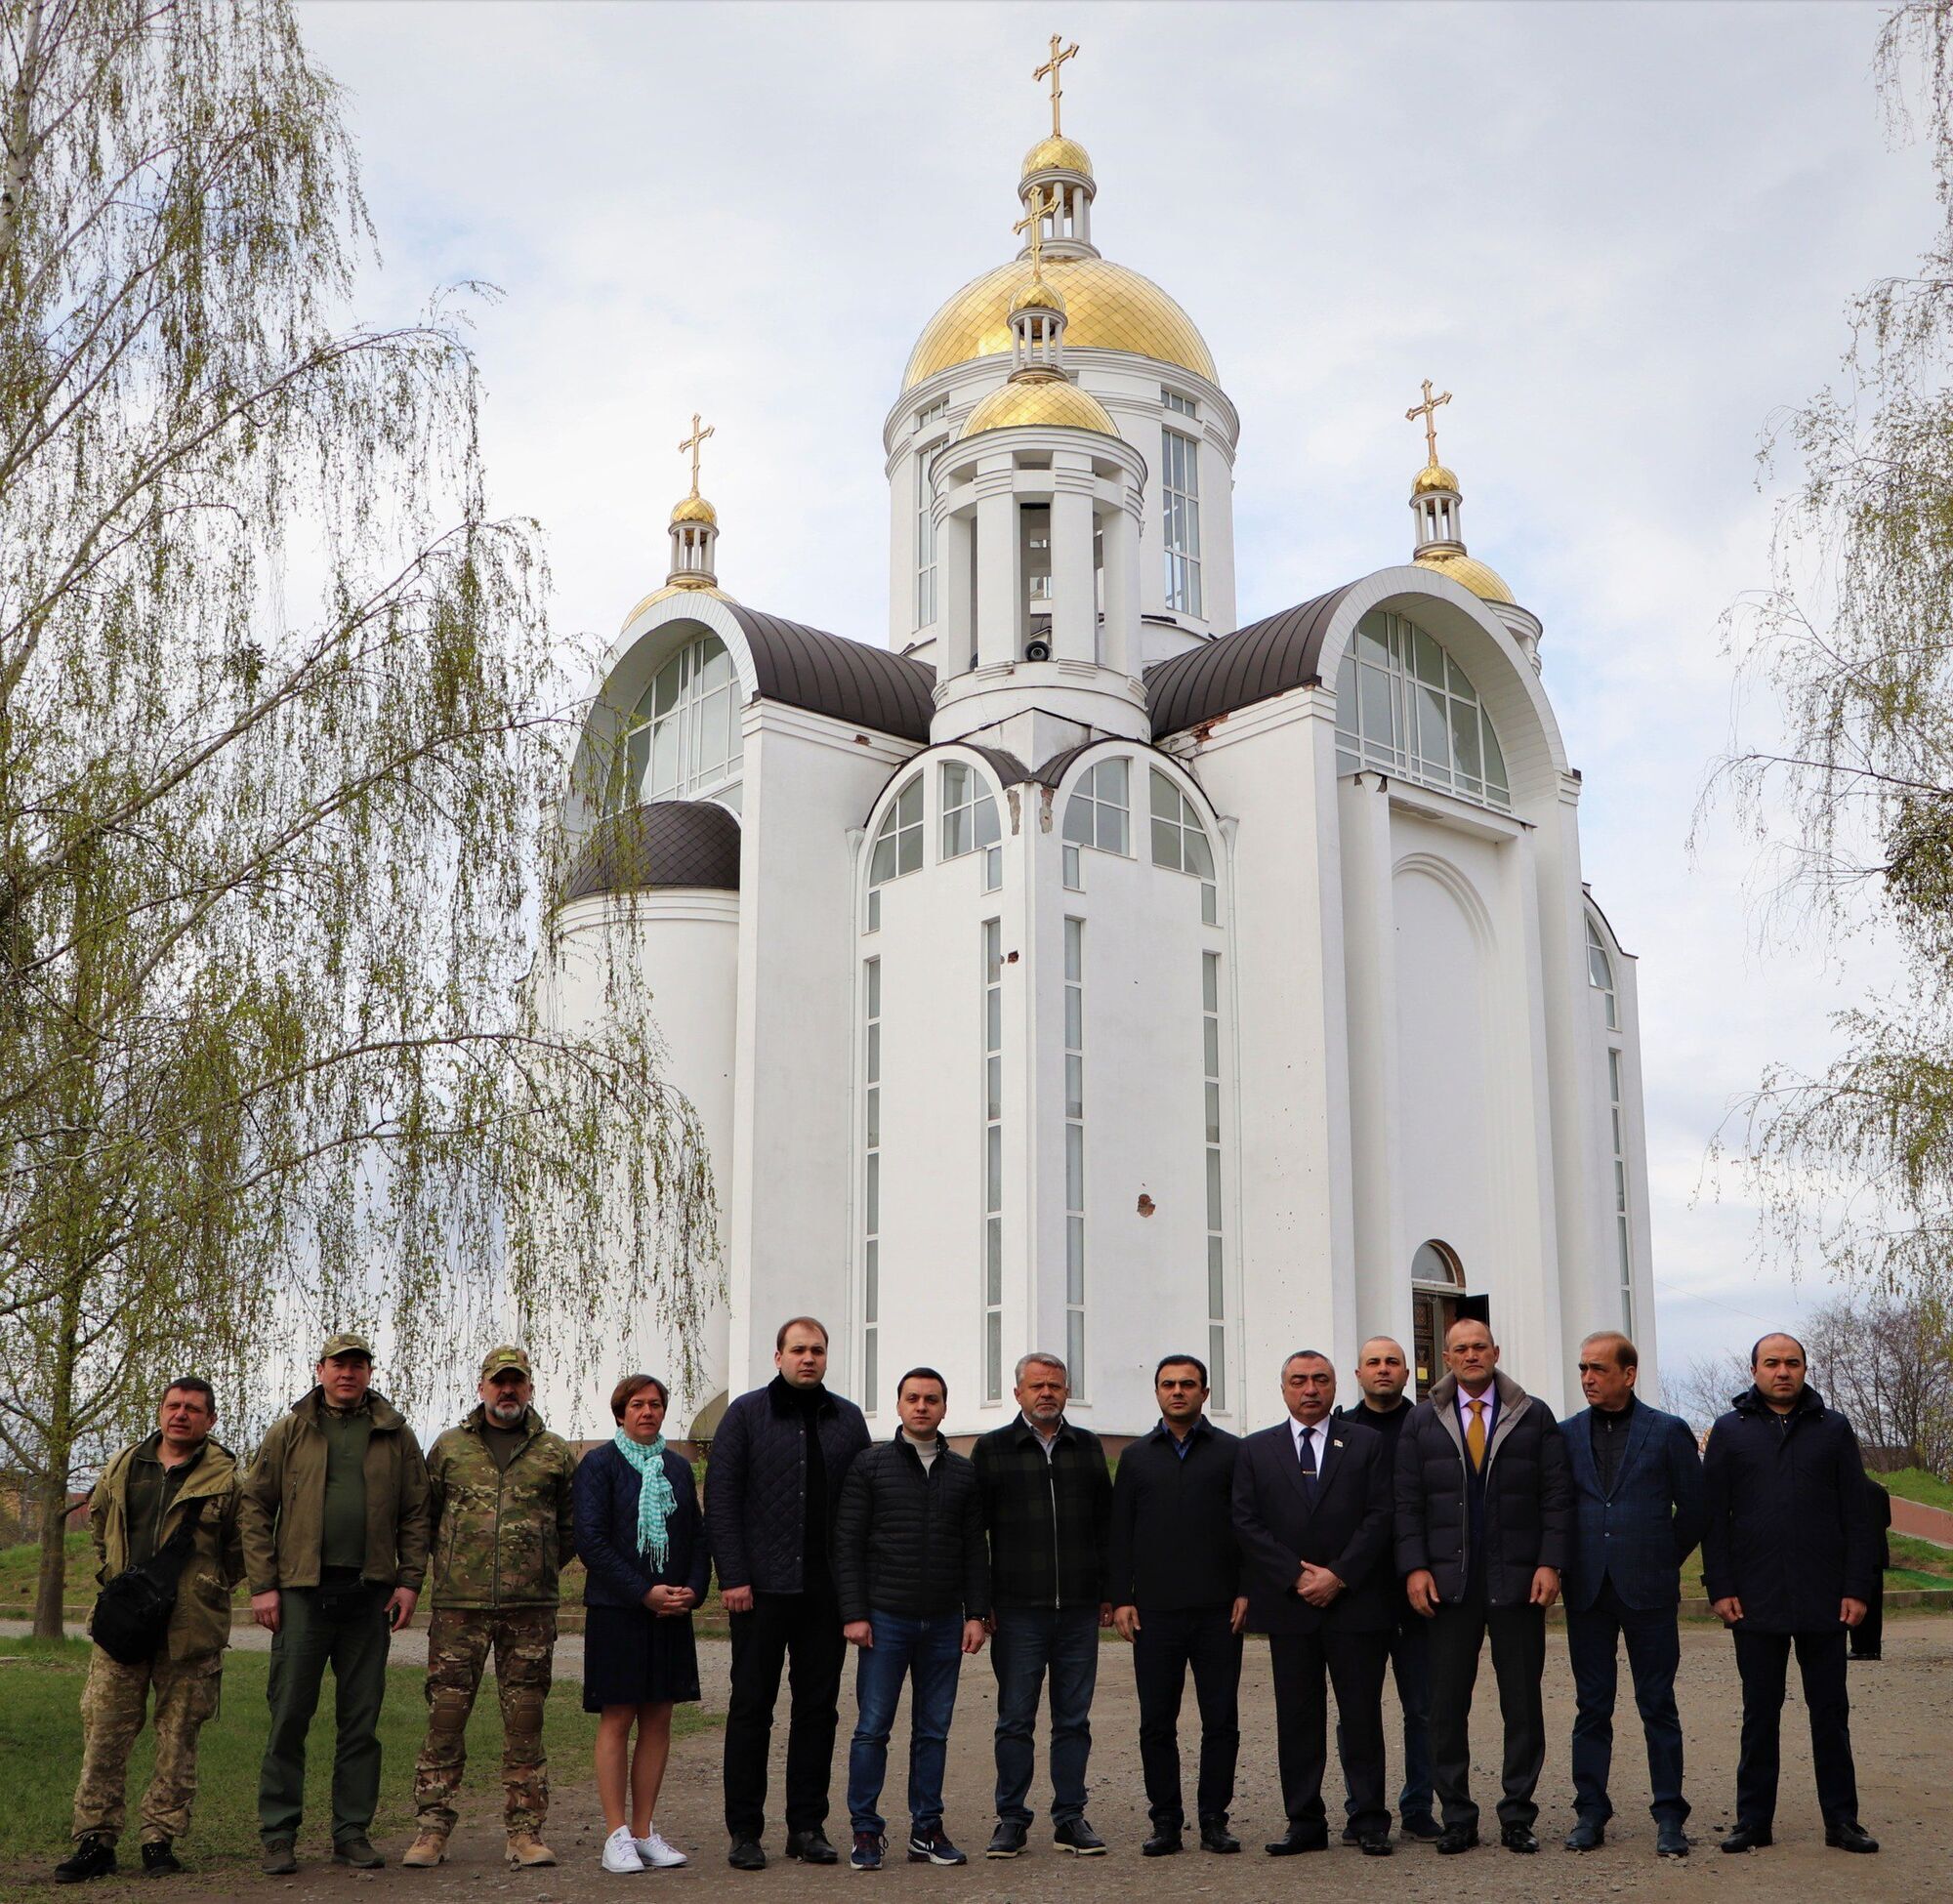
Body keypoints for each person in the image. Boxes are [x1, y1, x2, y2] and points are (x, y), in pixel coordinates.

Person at [239, 1331, 431, 1875]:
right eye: (338, 1365)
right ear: (320, 1369)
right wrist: (263, 1584)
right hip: (301, 1594)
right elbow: (255, 1506)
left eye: (358, 1365)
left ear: (369, 1373)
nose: (347, 1374)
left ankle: (352, 1832)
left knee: (360, 1722)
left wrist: (409, 1581)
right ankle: (279, 1834)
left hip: (369, 1595)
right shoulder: (290, 1431)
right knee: (289, 1716)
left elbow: (417, 1513)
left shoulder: (394, 1434)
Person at [54, 1378, 245, 1884]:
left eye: (193, 1409)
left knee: (178, 1738)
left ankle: (159, 1838)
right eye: (173, 1405)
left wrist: (206, 1587)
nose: (180, 1415)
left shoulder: (227, 1479)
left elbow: (240, 1551)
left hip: (189, 1630)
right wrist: (117, 1583)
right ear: (161, 1411)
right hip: (122, 1628)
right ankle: (95, 1840)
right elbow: (99, 1528)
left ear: (210, 1420)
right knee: (104, 1733)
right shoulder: (122, 1468)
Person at [1394, 1316, 1570, 1856]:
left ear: (1495, 1351)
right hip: (1449, 1587)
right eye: (1460, 1349)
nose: (1471, 1355)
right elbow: (1407, 1504)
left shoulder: (1533, 1416)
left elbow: (1556, 1497)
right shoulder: (1423, 1422)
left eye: (1479, 1346)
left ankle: (1517, 1815)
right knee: (1446, 1706)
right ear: (1445, 1359)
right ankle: (1458, 1817)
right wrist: (1415, 1567)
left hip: (1517, 1583)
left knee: (1522, 1703)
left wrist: (1551, 1563)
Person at [1702, 1332, 1880, 1855]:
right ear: (1754, 1369)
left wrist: (1857, 1587)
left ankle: (1842, 1821)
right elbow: (1713, 1520)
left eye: (1793, 1363)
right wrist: (1720, 1587)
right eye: (1773, 1363)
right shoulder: (1730, 1432)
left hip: (1826, 1598)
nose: (1783, 1371)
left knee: (1831, 1713)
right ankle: (1753, 1821)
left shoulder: (1834, 1429)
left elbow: (1859, 1515)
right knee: (1760, 1713)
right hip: (1754, 1599)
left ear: (1805, 1370)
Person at [402, 1346, 579, 1871]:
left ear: (529, 1389)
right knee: (446, 1719)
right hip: (460, 1608)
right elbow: (424, 1520)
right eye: (499, 1383)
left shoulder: (553, 1452)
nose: (508, 1391)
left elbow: (570, 1525)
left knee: (526, 1721)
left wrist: (539, 1563)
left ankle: (524, 1833)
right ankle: (431, 1830)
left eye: (517, 1383)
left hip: (530, 1611)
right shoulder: (450, 1449)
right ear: (481, 1387)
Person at [705, 1315, 870, 1870]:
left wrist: (854, 1593)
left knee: (818, 1710)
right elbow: (722, 1500)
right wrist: (732, 1576)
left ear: (827, 1357)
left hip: (824, 1594)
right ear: (777, 1356)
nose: (808, 1359)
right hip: (760, 1590)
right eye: (798, 1350)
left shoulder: (847, 1420)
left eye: (817, 1351)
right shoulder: (746, 1415)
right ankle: (745, 1831)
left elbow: (860, 1511)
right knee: (752, 1707)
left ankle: (807, 1826)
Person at [1232, 1350, 1394, 1857]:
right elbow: (1246, 1521)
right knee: (1298, 1718)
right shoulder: (1257, 1449)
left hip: (1355, 1604)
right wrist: (1295, 1575)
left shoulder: (1367, 1444)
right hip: (1290, 1607)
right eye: (1298, 1380)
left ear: (1333, 1386)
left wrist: (1339, 1575)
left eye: (1319, 1380)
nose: (1310, 1389)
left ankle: (1368, 1819)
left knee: (1361, 1715)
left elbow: (1380, 1516)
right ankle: (1304, 1822)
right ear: (1283, 1389)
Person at [833, 1366, 990, 1871]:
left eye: (932, 1399)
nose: (922, 1406)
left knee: (933, 1731)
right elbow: (848, 1545)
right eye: (913, 1398)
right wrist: (855, 1614)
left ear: (945, 1408)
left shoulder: (964, 1473)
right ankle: (865, 1830)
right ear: (898, 1406)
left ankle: (927, 1829)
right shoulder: (870, 1466)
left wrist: (978, 1614)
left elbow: (974, 1550)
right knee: (872, 1729)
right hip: (885, 1619)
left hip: (944, 1621)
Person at [1558, 1331, 1704, 1859]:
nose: (1588, 1379)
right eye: (1582, 1369)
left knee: (1657, 1704)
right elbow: (1558, 1508)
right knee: (1591, 1707)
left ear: (1629, 1373)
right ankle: (1590, 1813)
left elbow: (1694, 1510)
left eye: (1598, 1369)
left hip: (1649, 1590)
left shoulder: (1667, 1433)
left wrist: (1662, 1559)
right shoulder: (1566, 1434)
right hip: (1588, 1590)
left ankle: (1669, 1816)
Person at [973, 1349, 1114, 1858]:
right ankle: (1011, 1818)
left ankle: (1070, 1818)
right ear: (1018, 1394)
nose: (1047, 1393)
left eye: (1055, 1385)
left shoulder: (1088, 1446)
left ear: (1067, 1391)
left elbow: (1107, 1526)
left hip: (1077, 1609)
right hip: (1016, 1610)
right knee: (1015, 1718)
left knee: (1073, 1719)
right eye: (1037, 1386)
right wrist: (979, 1601)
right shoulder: (992, 1449)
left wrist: (1109, 1592)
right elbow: (975, 1534)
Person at [1108, 1352, 1246, 1858]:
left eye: (1189, 1384)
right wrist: (1121, 1598)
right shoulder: (1137, 1457)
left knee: (1220, 1720)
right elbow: (1120, 1534)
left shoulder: (1233, 1452)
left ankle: (1214, 1819)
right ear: (1158, 1393)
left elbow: (1247, 1528)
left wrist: (1247, 1588)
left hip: (1218, 1612)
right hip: (1156, 1614)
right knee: (1156, 1722)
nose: (1178, 1392)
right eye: (1169, 1384)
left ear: (1205, 1393)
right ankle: (1165, 1820)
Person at [574, 1373, 710, 1874]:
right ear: (621, 1412)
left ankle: (644, 1830)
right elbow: (591, 1540)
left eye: (655, 1404)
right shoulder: (599, 1465)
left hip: (671, 1611)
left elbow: (698, 1536)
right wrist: (641, 1593)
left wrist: (692, 1591)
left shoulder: (677, 1467)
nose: (648, 1412)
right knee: (619, 1718)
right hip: (618, 1611)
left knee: (659, 1717)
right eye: (637, 1404)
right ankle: (615, 1834)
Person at [1330, 1336, 1439, 1842]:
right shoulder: (1340, 1431)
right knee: (1358, 1710)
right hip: (1359, 1592)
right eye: (1372, 1362)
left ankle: (1419, 1806)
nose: (1382, 1370)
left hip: (1421, 1589)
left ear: (1407, 1372)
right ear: (1358, 1374)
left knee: (1423, 1708)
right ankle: (1362, 1807)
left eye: (1392, 1362)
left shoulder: (1430, 1426)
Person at [1850, 1476, 1891, 1662]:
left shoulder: (1848, 1490)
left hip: (1857, 1552)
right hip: (1878, 1551)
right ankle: (1874, 1647)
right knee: (1875, 1603)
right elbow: (1887, 1520)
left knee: (1856, 1597)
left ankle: (1860, 1647)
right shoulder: (1879, 1490)